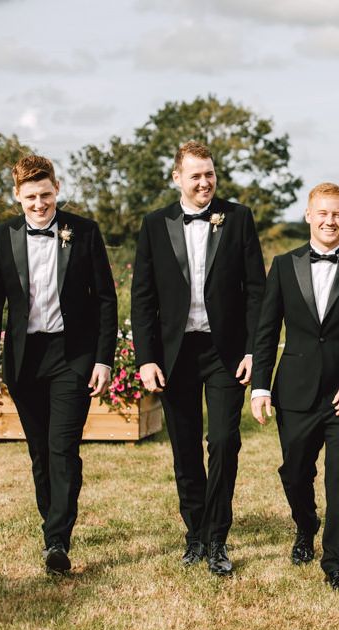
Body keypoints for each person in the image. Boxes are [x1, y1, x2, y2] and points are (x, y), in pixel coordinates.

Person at [131, 141, 266, 576]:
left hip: (224, 351)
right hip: (174, 354)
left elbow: (256, 291)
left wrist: (253, 351)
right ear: (178, 178)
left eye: (210, 173)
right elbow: (142, 297)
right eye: (196, 175)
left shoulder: (238, 218)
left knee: (225, 441)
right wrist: (146, 358)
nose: (205, 182)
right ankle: (195, 534)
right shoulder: (155, 224)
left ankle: (218, 537)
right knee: (185, 447)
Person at [0, 155, 117, 574]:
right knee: (40, 453)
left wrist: (103, 359)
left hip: (71, 356)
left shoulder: (83, 232)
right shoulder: (0, 236)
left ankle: (58, 539)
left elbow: (105, 300)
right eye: (30, 198)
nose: (39, 204)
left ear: (57, 189)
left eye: (45, 195)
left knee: (63, 448)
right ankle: (52, 526)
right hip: (25, 360)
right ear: (17, 197)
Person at [250, 183, 339, 595]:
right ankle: (305, 525)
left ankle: (336, 563)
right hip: (295, 393)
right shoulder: (284, 266)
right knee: (294, 472)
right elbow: (267, 331)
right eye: (322, 213)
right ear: (308, 215)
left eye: (338, 214)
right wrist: (259, 387)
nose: (330, 221)